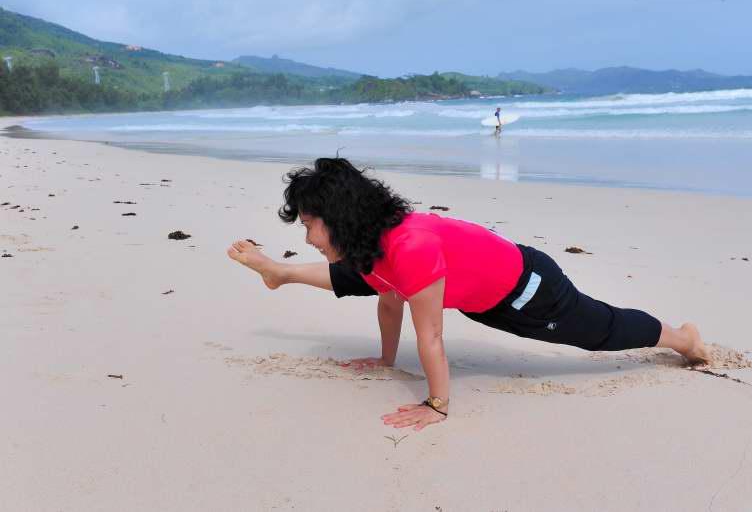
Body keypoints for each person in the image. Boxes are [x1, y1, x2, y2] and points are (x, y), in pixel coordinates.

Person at [227, 158, 710, 431]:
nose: (308, 236)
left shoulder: (409, 247)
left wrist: (436, 404)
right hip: (483, 296)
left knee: (602, 331)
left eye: (310, 224)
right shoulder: (373, 242)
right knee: (361, 275)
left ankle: (683, 339)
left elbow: (431, 337)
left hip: (530, 294)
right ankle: (280, 273)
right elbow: (389, 299)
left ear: (340, 217)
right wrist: (385, 360)